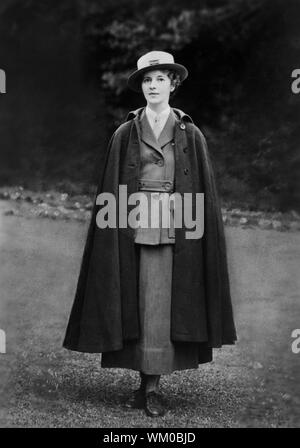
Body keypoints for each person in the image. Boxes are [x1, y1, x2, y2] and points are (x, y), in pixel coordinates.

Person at [63, 51, 237, 418]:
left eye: (160, 78)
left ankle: (153, 386)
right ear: (141, 86)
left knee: (161, 306)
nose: (153, 85)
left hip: (177, 226)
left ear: (173, 85)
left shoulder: (192, 133)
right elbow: (112, 189)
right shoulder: (125, 133)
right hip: (131, 224)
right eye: (147, 79)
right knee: (134, 301)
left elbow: (201, 191)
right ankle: (143, 381)